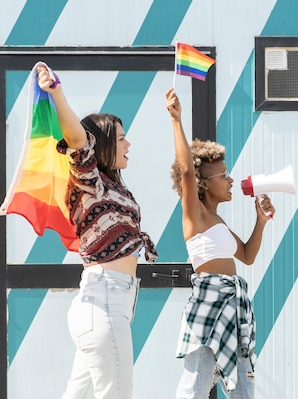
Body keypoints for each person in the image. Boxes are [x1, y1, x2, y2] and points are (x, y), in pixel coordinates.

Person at [37, 65, 157, 399]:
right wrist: (56, 92)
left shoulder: (111, 186)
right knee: (116, 393)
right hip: (103, 302)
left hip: (107, 303)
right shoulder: (89, 183)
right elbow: (78, 141)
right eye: (121, 138)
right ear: (102, 144)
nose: (129, 144)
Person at [165, 88, 275, 399]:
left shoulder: (219, 222)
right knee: (195, 387)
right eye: (223, 175)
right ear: (203, 184)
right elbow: (187, 170)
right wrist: (176, 120)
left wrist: (261, 220)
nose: (230, 180)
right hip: (210, 308)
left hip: (234, 308)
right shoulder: (195, 216)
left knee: (243, 389)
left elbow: (248, 256)